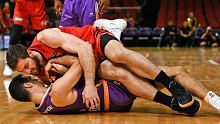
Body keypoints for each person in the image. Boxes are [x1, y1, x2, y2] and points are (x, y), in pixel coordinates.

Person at [7, 19, 195, 110]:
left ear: (30, 53)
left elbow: (84, 50)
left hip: (91, 41)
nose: (29, 72)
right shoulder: (40, 73)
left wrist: (89, 85)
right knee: (119, 75)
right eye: (23, 71)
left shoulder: (46, 37)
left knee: (119, 54)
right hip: (90, 63)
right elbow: (73, 73)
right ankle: (171, 102)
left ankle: (173, 85)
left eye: (26, 66)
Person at [3, 0, 48, 77]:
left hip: (38, 4)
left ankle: (38, 63)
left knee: (40, 35)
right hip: (22, 4)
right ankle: (9, 62)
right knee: (16, 31)